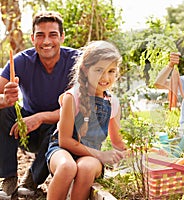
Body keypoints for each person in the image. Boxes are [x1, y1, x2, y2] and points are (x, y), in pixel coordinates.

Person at [0, 11, 80, 198]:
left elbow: (82, 106)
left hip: (58, 130)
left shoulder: (77, 61)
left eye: (52, 34)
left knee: (68, 121)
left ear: (62, 37)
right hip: (25, 130)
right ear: (32, 38)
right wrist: (5, 99)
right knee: (3, 110)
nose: (46, 41)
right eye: (40, 35)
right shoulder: (21, 61)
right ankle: (8, 178)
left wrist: (41, 117)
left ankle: (33, 179)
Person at [45, 40, 127, 200]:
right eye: (99, 70)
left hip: (91, 156)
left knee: (87, 167)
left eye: (111, 71)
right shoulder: (72, 97)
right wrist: (101, 155)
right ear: (85, 69)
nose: (105, 77)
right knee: (67, 167)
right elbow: (65, 141)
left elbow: (118, 143)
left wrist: (141, 151)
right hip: (62, 151)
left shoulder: (112, 103)